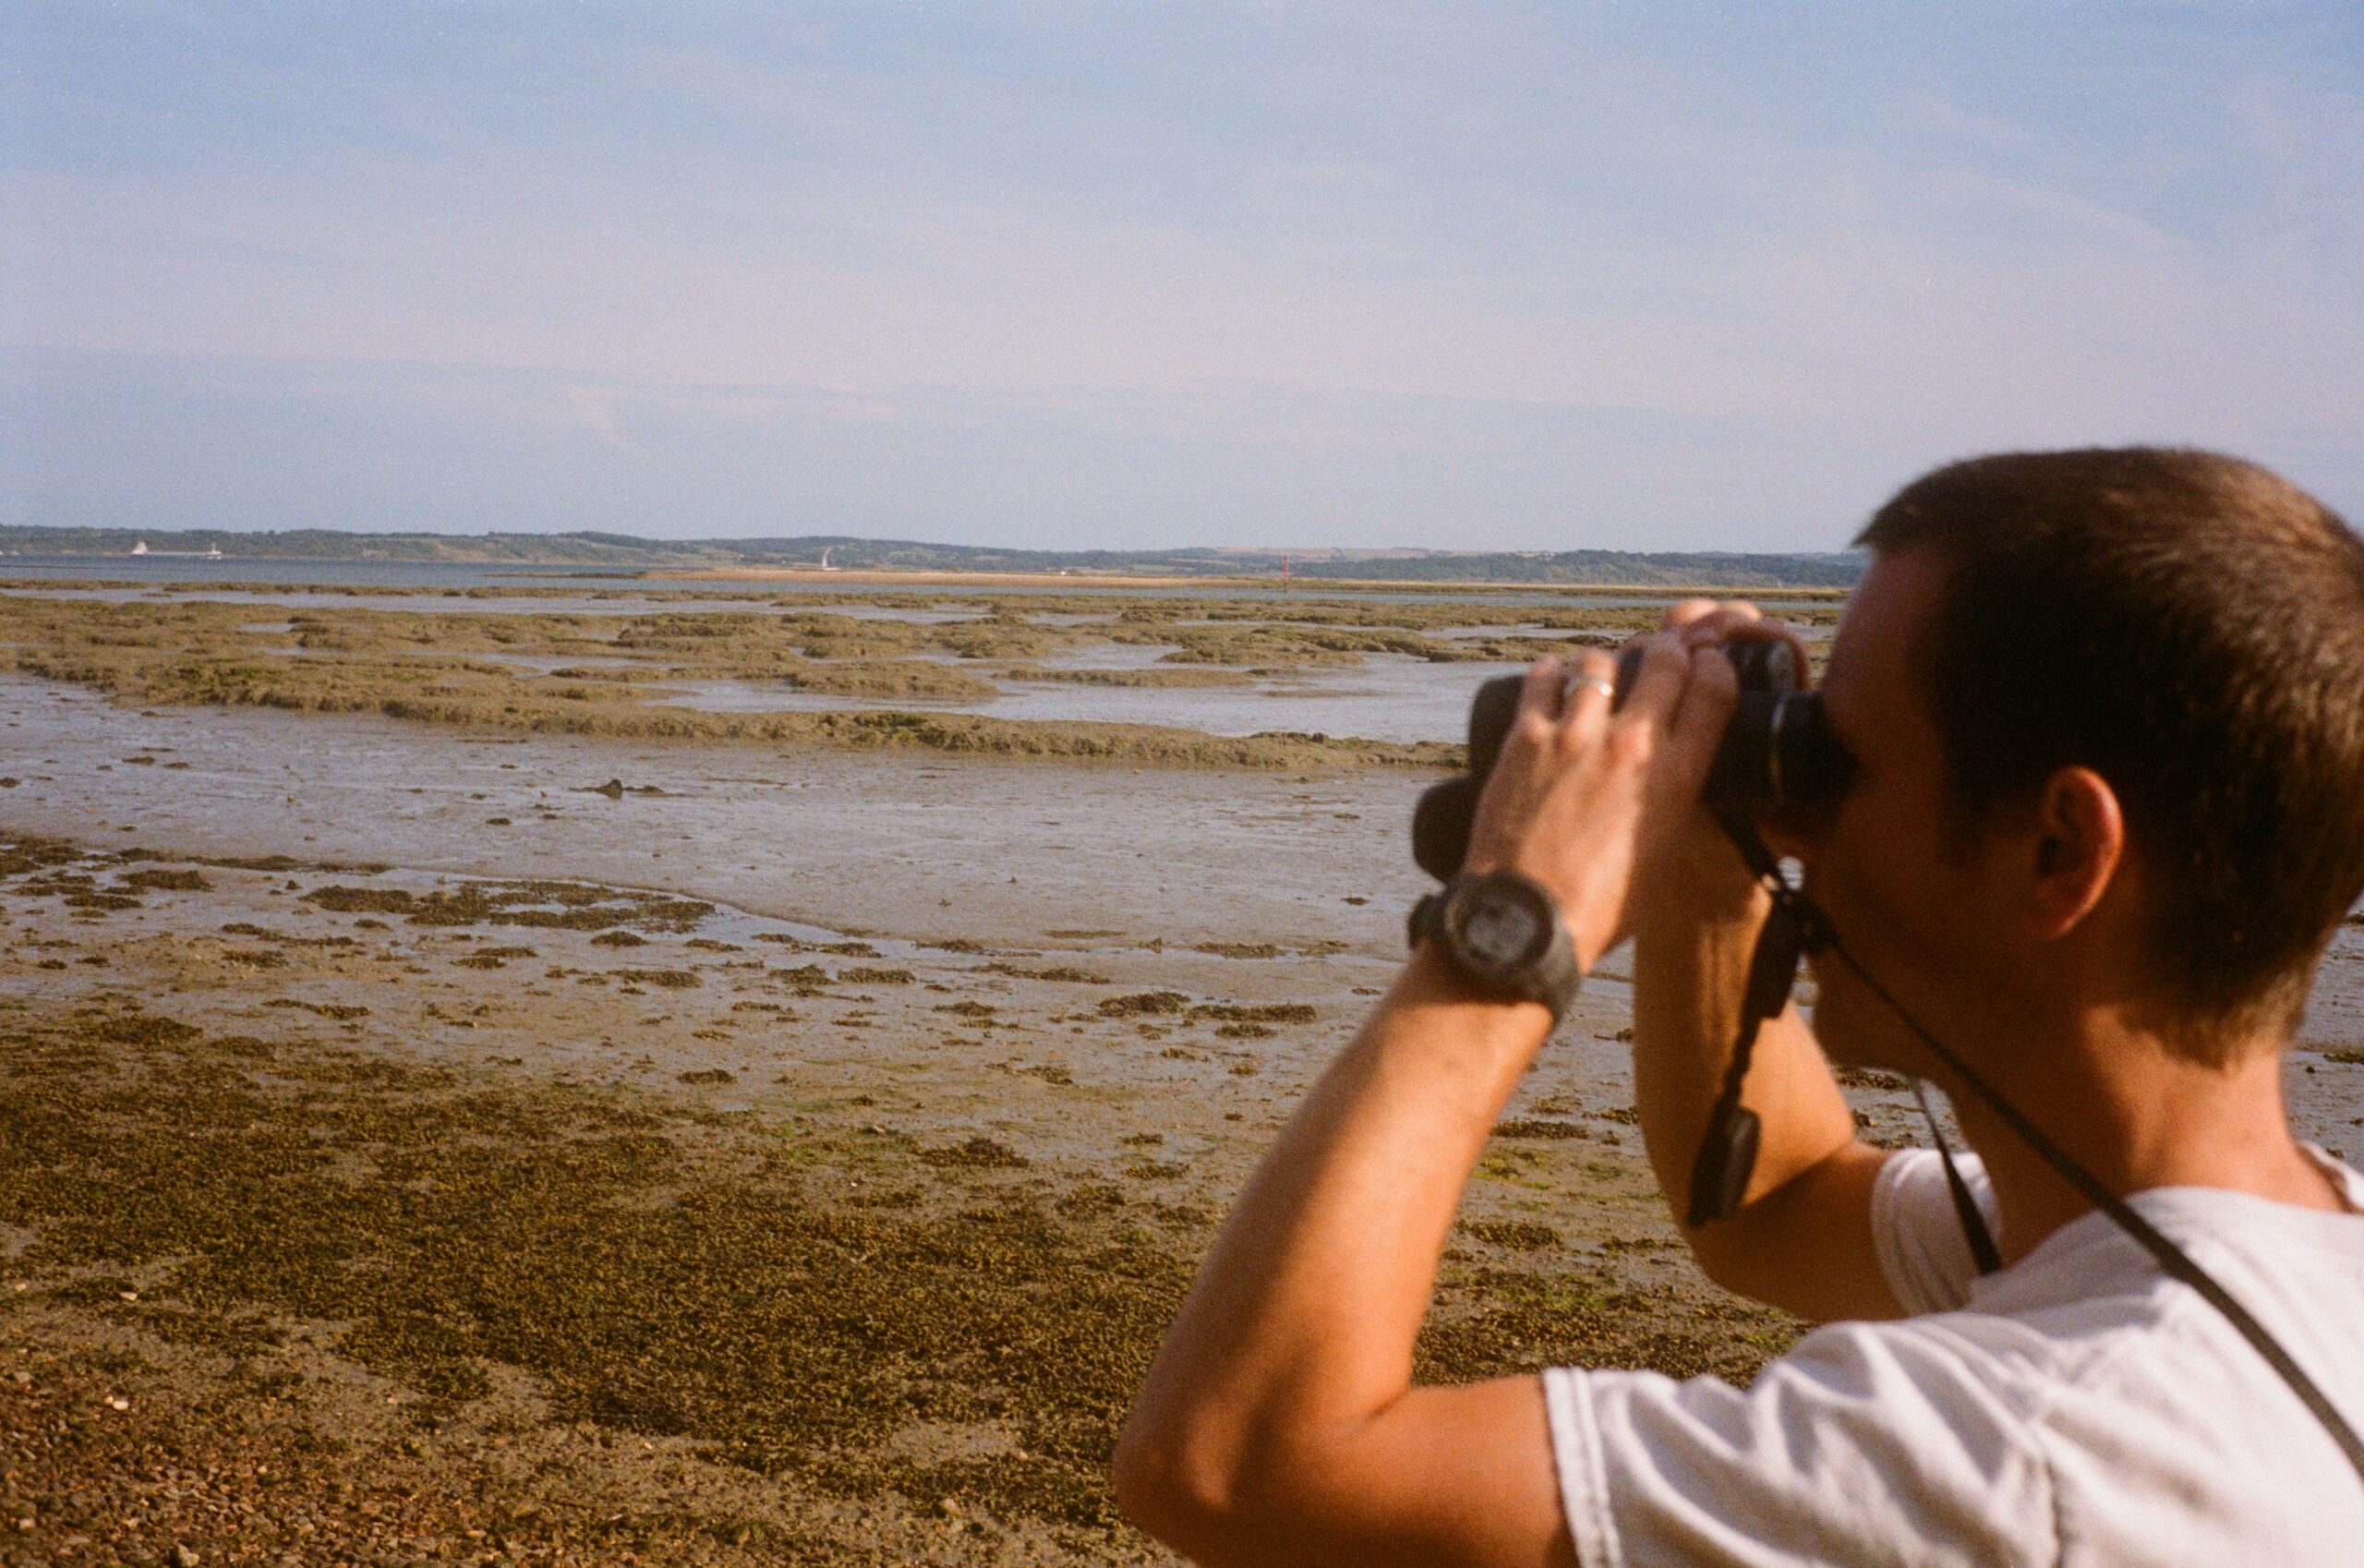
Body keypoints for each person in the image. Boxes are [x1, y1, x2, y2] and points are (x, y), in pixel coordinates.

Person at [1113, 448, 2364, 1566]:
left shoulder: (2036, 1462)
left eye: (1838, 759)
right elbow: (1771, 1205)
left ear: (2056, 851)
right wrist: (1717, 845)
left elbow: (1231, 1464)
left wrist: (1514, 922)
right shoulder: (2290, 1251)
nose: (1799, 814)